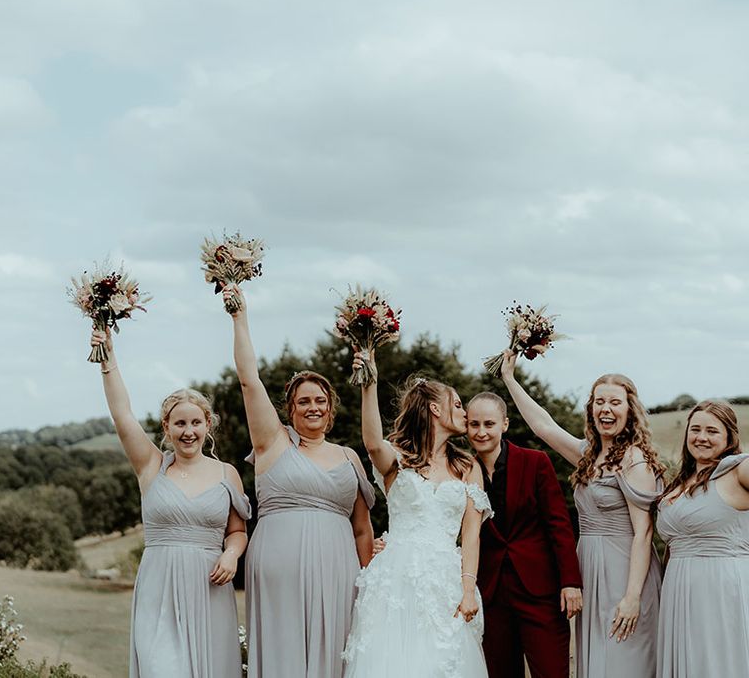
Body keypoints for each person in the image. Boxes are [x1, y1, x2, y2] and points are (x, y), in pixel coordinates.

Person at [223, 284, 375, 678]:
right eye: (303, 401)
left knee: (337, 648)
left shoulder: (348, 457)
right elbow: (248, 380)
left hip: (339, 567)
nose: (313, 406)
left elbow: (361, 529)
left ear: (330, 410)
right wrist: (240, 318)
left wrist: (371, 580)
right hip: (278, 564)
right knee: (282, 651)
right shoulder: (271, 443)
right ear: (289, 410)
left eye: (320, 401)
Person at [89, 329, 250, 678]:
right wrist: (108, 361)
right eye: (180, 423)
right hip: (158, 590)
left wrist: (232, 553)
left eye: (196, 422)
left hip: (210, 591)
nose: (188, 431)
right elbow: (123, 416)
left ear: (208, 425)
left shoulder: (227, 474)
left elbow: (237, 531)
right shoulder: (150, 466)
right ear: (166, 427)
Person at [500, 351, 665, 678]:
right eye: (599, 401)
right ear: (591, 408)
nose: (606, 408)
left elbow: (644, 534)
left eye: (615, 402)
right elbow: (543, 426)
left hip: (624, 572)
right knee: (598, 661)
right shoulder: (587, 456)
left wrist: (632, 597)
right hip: (589, 568)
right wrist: (509, 379)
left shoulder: (634, 461)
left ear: (630, 410)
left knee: (623, 660)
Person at [343, 351, 490, 677]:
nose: (464, 412)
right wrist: (370, 385)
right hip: (395, 578)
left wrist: (468, 589)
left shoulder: (467, 466)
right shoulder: (397, 458)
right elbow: (370, 442)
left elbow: (471, 535)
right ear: (435, 409)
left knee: (442, 662)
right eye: (458, 405)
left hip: (445, 580)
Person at [467, 391, 582, 678]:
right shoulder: (461, 470)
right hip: (490, 593)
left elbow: (559, 524)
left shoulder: (536, 462)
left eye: (489, 424)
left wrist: (570, 581)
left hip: (539, 590)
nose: (481, 432)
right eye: (474, 424)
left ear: (504, 424)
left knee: (551, 671)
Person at [656, 400, 749, 677]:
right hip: (676, 590)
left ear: (729, 437)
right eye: (695, 429)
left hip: (721, 588)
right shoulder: (678, 482)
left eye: (712, 431)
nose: (702, 437)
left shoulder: (737, 470)